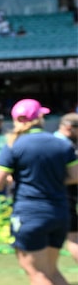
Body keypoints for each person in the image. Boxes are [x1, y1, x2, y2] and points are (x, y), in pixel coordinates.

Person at [0, 100, 78, 285]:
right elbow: (75, 176)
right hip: (59, 212)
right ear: (38, 118)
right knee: (52, 270)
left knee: (37, 274)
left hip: (30, 213)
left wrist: (19, 177)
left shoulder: (16, 145)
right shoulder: (61, 143)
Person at [55, 112, 78, 266]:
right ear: (70, 128)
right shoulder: (63, 145)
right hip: (63, 195)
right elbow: (74, 176)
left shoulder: (55, 142)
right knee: (73, 236)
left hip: (61, 195)